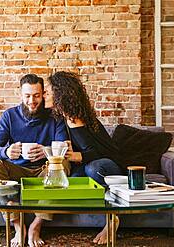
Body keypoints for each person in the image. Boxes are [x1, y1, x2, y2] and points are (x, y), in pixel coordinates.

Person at [44, 71, 127, 245]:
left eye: (48, 92)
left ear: (59, 95)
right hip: (95, 161)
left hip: (109, 165)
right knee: (72, 181)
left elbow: (95, 153)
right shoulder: (66, 116)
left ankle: (112, 220)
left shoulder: (75, 118)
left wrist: (72, 155)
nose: (45, 95)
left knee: (92, 169)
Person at [0, 74, 69, 247]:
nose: (32, 101)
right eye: (28, 96)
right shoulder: (9, 116)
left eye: (37, 95)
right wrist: (7, 151)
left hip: (45, 170)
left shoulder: (56, 117)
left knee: (62, 164)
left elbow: (63, 147)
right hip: (17, 169)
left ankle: (36, 225)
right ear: (21, 95)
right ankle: (17, 225)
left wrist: (46, 151)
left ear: (43, 94)